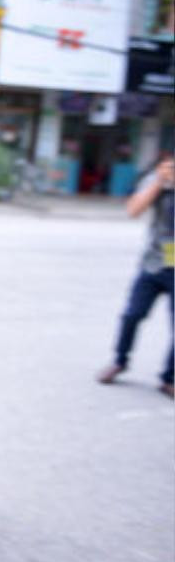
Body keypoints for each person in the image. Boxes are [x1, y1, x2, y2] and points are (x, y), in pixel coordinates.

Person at [96, 145, 174, 397]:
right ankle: (119, 361)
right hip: (153, 262)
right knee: (132, 315)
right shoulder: (159, 179)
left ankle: (169, 378)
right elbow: (133, 210)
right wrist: (159, 183)